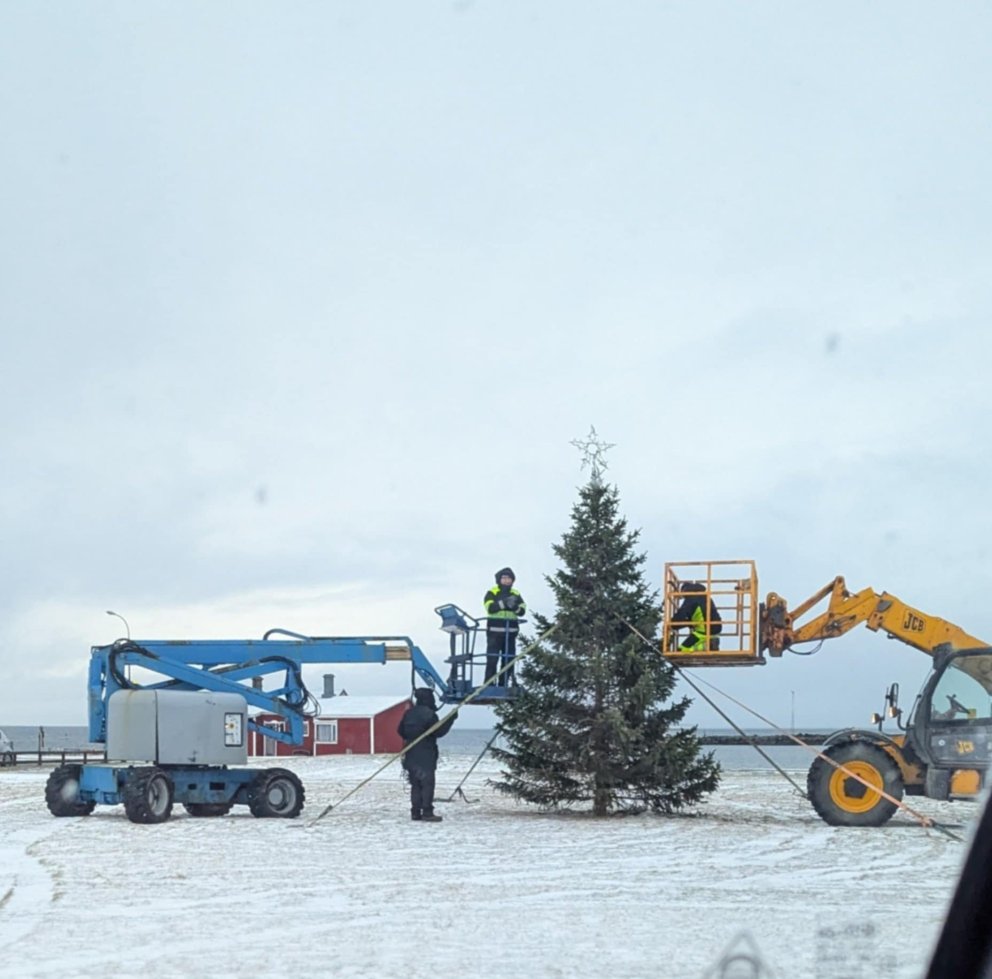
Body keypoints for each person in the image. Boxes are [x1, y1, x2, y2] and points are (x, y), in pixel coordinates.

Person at [397, 688, 455, 822]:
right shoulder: (429, 714)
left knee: (415, 785)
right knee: (427, 784)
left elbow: (400, 731)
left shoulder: (408, 713)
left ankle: (415, 812)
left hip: (411, 753)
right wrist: (451, 719)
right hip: (426, 754)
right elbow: (439, 732)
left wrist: (412, 737)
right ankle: (427, 812)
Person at [484, 566, 526, 685]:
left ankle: (504, 684)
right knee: (492, 659)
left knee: (508, 659)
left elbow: (522, 611)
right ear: (499, 579)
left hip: (511, 632)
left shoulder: (516, 593)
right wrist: (504, 604)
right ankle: (489, 684)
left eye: (509, 578)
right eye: (504, 578)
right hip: (494, 632)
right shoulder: (492, 592)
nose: (506, 580)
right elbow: (490, 608)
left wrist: (515, 607)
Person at [671, 581, 722, 651]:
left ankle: (709, 645)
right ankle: (711, 642)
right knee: (694, 644)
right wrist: (689, 623)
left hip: (704, 631)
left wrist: (671, 624)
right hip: (715, 628)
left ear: (684, 590)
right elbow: (700, 616)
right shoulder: (705, 596)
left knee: (682, 649)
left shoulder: (690, 599)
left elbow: (680, 617)